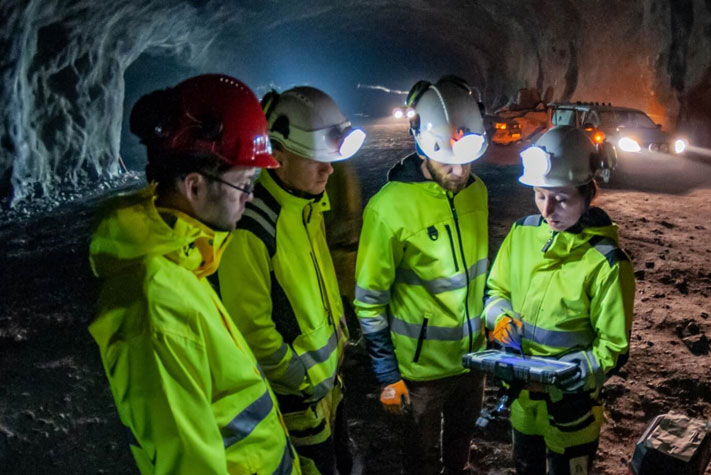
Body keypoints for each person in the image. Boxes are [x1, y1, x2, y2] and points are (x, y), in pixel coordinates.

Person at [88, 74, 299, 474]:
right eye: (243, 183)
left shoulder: (185, 260)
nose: (250, 198)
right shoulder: (154, 307)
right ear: (195, 186)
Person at [215, 86, 366, 475]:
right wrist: (295, 376)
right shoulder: (253, 226)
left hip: (327, 389)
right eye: (317, 160)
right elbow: (249, 327)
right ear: (277, 159)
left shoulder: (306, 205)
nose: (329, 170)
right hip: (297, 402)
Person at [353, 75, 490, 475]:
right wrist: (387, 375)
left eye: (466, 158)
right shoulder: (388, 207)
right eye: (447, 159)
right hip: (420, 374)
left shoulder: (476, 191)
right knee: (422, 462)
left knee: (460, 449)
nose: (459, 169)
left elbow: (478, 275)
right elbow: (369, 299)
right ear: (421, 144)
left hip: (472, 361)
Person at [483, 125, 635, 475]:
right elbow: (496, 291)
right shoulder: (521, 234)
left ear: (588, 193)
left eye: (561, 199)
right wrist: (500, 319)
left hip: (573, 409)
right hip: (523, 402)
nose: (548, 210)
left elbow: (613, 347)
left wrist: (576, 373)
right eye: (539, 195)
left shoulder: (607, 262)